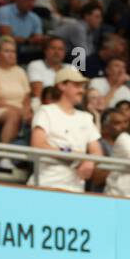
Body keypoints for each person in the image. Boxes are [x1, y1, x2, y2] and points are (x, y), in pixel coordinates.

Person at [29, 65, 103, 193]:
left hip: (76, 189)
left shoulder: (86, 117)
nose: (81, 90)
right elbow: (38, 144)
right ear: (62, 85)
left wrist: (90, 161)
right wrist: (74, 155)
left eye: (82, 86)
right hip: (45, 184)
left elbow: (97, 152)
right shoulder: (46, 111)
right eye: (76, 85)